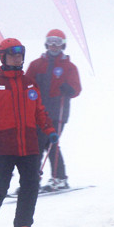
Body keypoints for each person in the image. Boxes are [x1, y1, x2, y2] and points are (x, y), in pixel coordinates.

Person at [0, 38, 58, 227]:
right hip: (3, 146)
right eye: (12, 55)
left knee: (31, 185)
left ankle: (23, 226)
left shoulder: (29, 83)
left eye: (20, 55)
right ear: (3, 57)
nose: (17, 58)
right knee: (0, 186)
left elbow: (39, 110)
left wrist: (49, 129)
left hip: (29, 145)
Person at [25, 29, 81, 191]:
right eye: (51, 41)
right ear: (46, 43)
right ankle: (36, 180)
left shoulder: (69, 67)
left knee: (49, 143)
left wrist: (69, 89)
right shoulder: (37, 64)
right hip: (39, 112)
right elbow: (27, 84)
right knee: (38, 144)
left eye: (57, 41)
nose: (54, 45)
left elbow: (76, 88)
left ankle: (55, 179)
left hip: (58, 113)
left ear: (63, 44)